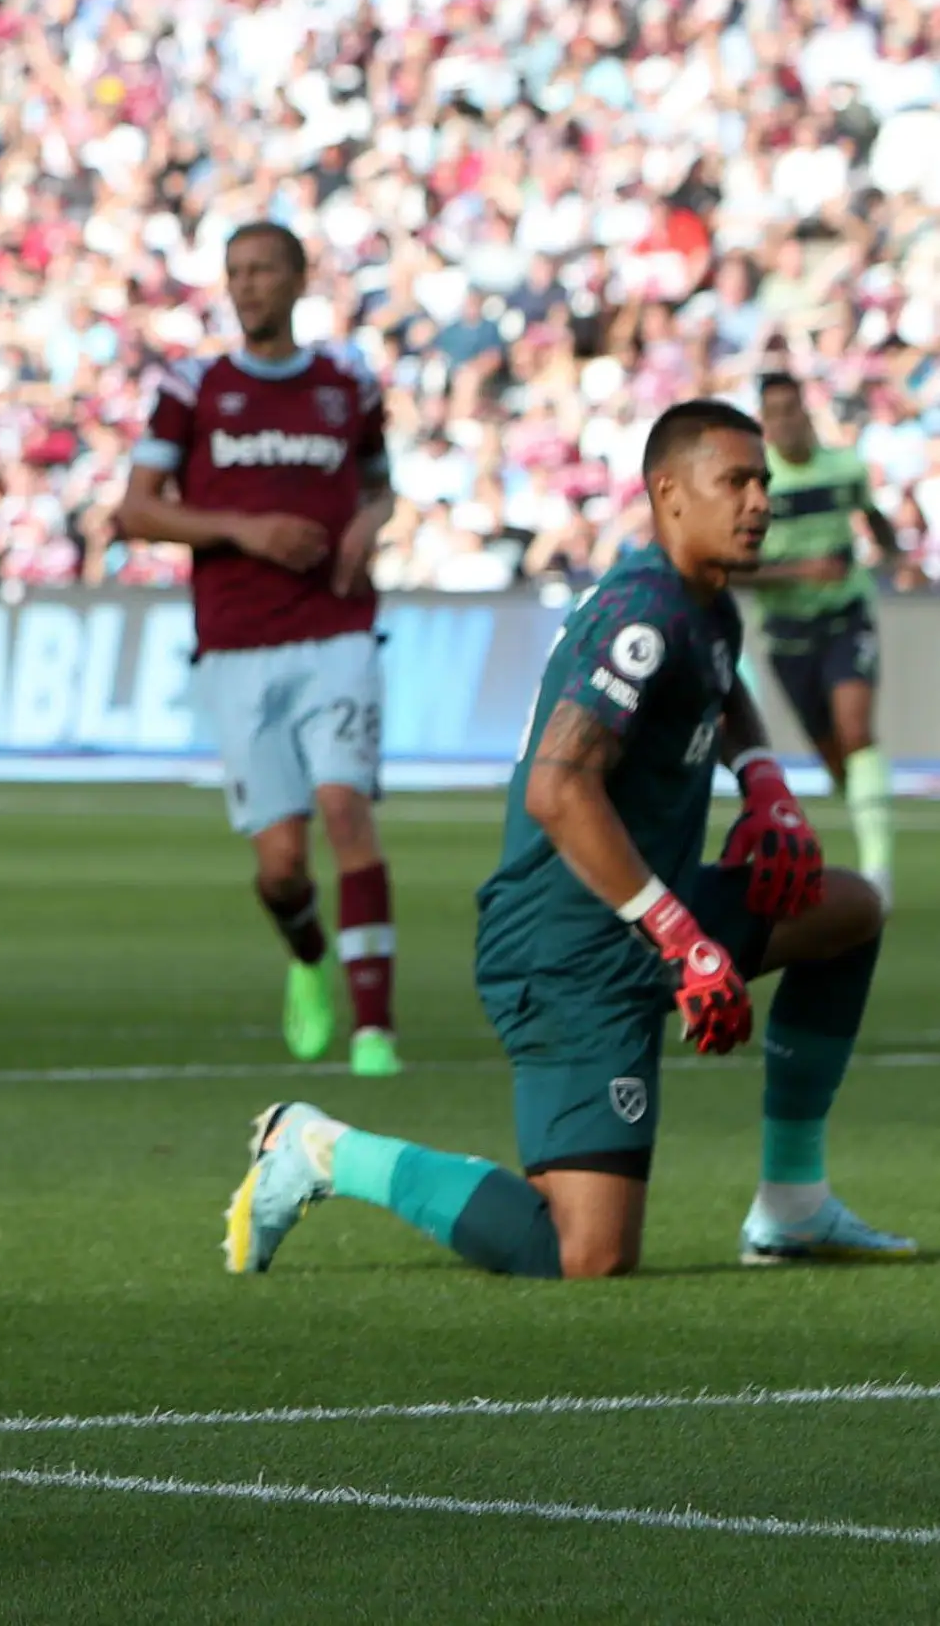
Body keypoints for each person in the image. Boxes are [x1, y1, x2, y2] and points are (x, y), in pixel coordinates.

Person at [228, 400, 910, 1278]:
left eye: (763, 483)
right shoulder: (640, 611)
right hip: (567, 948)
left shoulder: (704, 601)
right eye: (734, 481)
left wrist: (765, 781)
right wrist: (679, 937)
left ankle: (791, 1204)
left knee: (849, 908)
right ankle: (318, 1147)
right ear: (668, 491)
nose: (758, 502)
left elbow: (720, 683)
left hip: (650, 907)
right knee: (585, 1253)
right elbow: (558, 787)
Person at [114, 223, 403, 1077]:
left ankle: (375, 1032)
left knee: (346, 808)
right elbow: (137, 509)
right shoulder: (191, 385)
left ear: (298, 278)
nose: (246, 285)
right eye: (235, 272)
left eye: (262, 270)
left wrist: (365, 526)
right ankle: (309, 953)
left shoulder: (346, 379)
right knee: (281, 866)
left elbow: (383, 488)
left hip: (338, 629)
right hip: (237, 641)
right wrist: (245, 529)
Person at [741, 372, 900, 903]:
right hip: (787, 635)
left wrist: (898, 560)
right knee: (835, 758)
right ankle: (855, 801)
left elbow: (872, 516)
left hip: (846, 617)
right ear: (764, 423)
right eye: (774, 413)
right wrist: (800, 571)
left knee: (857, 733)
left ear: (806, 412)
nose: (785, 421)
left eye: (793, 409)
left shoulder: (845, 468)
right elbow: (734, 568)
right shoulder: (756, 485)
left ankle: (879, 871)